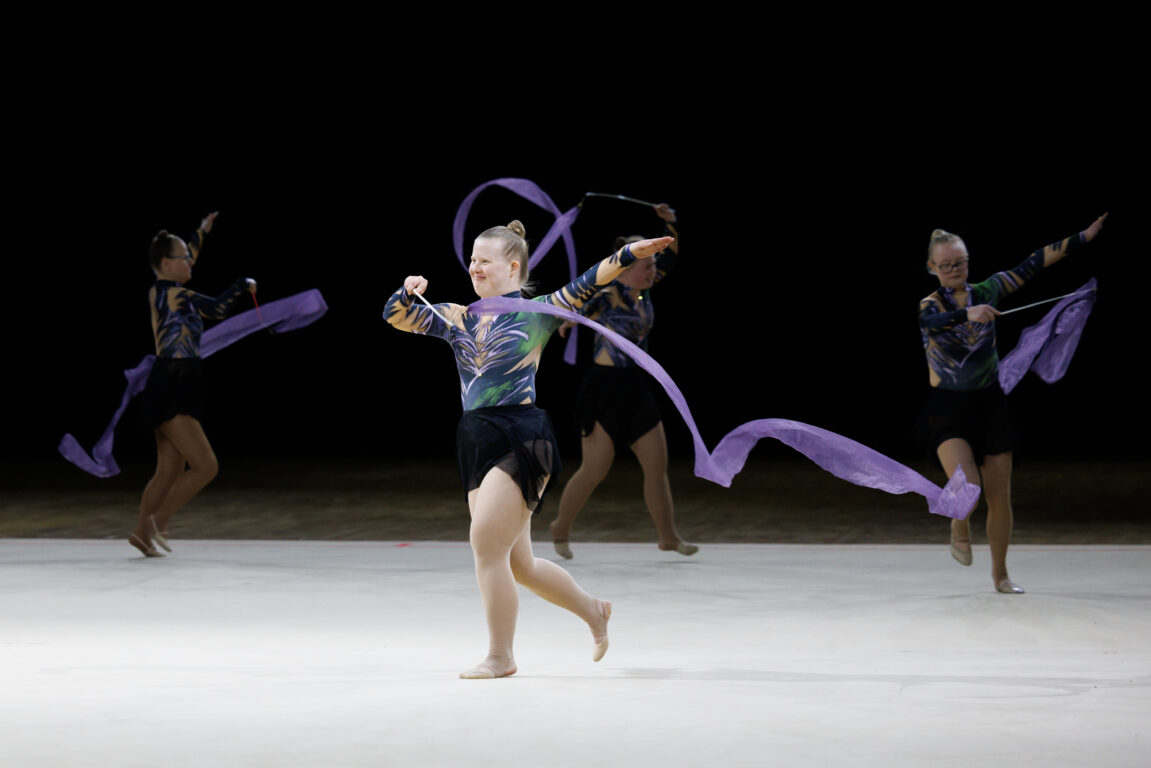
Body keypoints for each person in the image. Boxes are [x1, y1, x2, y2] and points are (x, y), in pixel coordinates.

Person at [384, 220, 673, 679]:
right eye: (472, 260)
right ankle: (594, 611)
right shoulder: (458, 317)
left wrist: (630, 253)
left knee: (485, 543)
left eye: (484, 260)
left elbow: (588, 280)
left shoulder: (539, 310)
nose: (474, 267)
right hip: (475, 437)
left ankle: (501, 656)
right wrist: (406, 291)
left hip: (520, 435)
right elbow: (396, 317)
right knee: (518, 564)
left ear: (512, 266)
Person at [918, 212, 1107, 593]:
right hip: (948, 408)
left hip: (989, 404)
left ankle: (1000, 575)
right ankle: (958, 522)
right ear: (932, 267)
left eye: (961, 262)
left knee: (999, 494)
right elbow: (931, 325)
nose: (954, 269)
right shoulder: (931, 305)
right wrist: (966, 314)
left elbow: (1033, 263)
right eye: (946, 265)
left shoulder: (988, 291)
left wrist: (1083, 237)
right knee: (966, 487)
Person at [549, 203, 697, 559]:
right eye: (646, 266)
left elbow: (672, 256)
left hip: (636, 387)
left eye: (651, 266)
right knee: (594, 470)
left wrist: (670, 222)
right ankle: (561, 527)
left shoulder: (644, 290)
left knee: (656, 467)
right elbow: (574, 309)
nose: (652, 271)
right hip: (604, 389)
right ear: (626, 269)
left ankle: (668, 537)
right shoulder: (606, 295)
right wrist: (567, 321)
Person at [130, 212, 256, 557]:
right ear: (166, 264)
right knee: (206, 466)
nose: (190, 262)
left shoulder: (166, 288)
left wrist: (201, 233)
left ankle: (142, 533)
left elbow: (186, 259)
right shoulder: (174, 297)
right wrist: (243, 283)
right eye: (183, 258)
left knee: (169, 469)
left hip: (176, 382)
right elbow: (217, 309)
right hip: (171, 385)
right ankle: (158, 520)